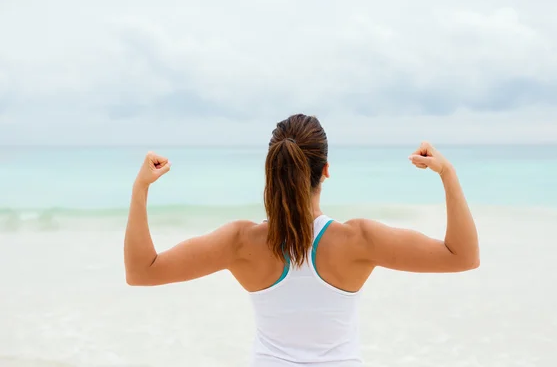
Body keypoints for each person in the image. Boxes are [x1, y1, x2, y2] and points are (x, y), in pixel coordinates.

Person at [124, 113, 480, 366]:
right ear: (325, 170)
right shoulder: (359, 240)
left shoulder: (240, 241)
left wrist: (140, 189)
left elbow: (142, 271)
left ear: (271, 170)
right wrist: (447, 173)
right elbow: (462, 256)